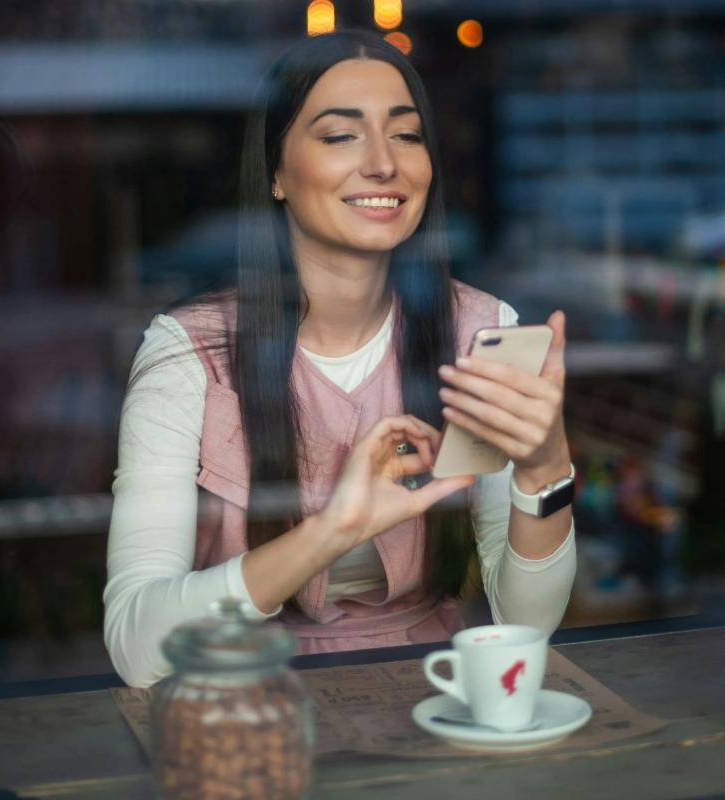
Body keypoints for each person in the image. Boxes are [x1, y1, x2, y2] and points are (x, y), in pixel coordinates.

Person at [104, 30, 577, 688]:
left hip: (430, 695)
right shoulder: (190, 355)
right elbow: (135, 647)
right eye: (340, 135)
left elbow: (526, 624)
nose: (384, 163)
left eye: (406, 134)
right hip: (246, 710)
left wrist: (546, 471)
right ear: (276, 171)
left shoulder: (479, 331)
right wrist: (331, 531)